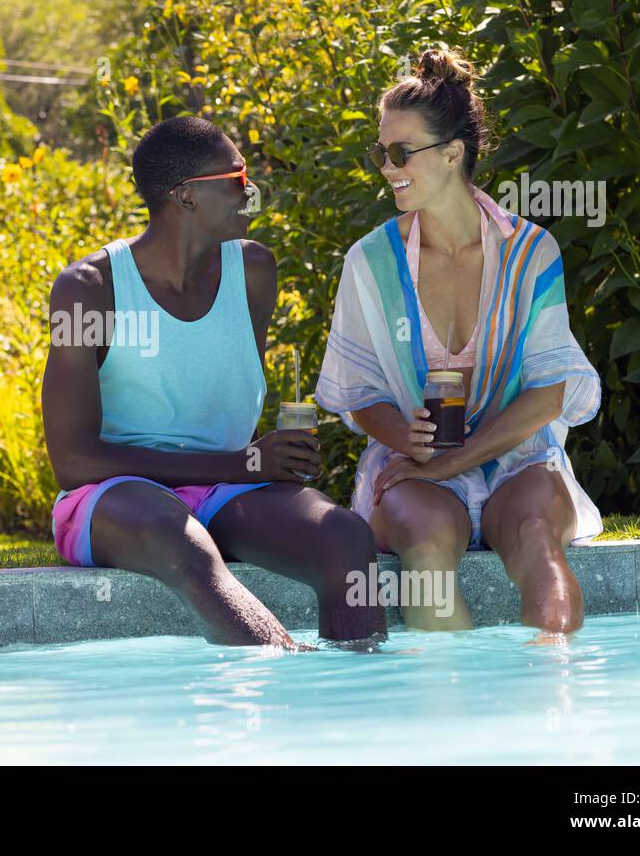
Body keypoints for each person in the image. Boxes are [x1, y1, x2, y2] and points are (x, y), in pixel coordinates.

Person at [41, 115, 386, 648]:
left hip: (223, 489)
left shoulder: (253, 272)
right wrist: (243, 463)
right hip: (114, 498)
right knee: (178, 537)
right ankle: (284, 671)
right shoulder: (89, 289)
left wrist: (258, 465)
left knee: (343, 536)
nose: (251, 192)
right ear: (184, 197)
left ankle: (361, 703)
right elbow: (74, 461)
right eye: (236, 179)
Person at [316, 47, 603, 636]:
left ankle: (556, 710)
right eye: (381, 152)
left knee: (538, 542)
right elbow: (358, 390)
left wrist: (455, 461)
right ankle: (457, 717)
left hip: (518, 460)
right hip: (413, 465)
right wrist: (411, 445)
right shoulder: (368, 262)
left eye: (400, 152)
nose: (386, 166)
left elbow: (550, 395)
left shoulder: (531, 254)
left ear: (452, 154)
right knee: (423, 550)